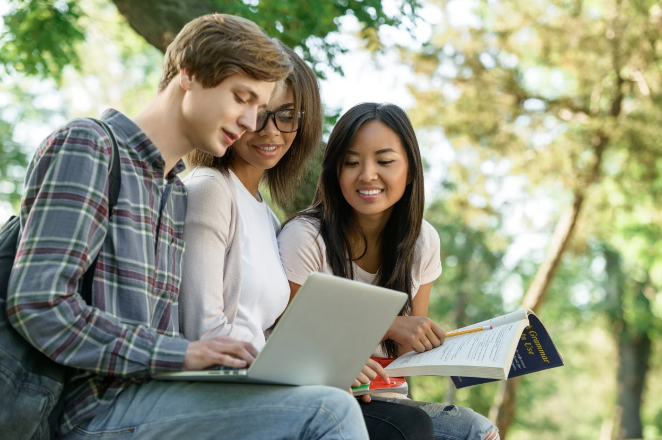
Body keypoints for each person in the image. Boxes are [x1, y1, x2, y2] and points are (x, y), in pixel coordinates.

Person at [6, 14, 369, 440]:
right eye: (242, 97)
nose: (252, 123)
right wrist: (184, 352)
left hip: (159, 396)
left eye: (260, 106)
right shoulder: (90, 146)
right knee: (327, 412)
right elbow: (38, 303)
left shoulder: (173, 192)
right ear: (189, 75)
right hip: (90, 411)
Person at [180, 45, 435, 440]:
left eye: (286, 116)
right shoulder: (211, 190)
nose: (270, 131)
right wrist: (322, 368)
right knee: (409, 428)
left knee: (459, 427)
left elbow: (271, 332)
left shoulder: (265, 216)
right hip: (233, 394)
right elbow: (203, 333)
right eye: (259, 112)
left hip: (276, 388)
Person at [278, 102, 501, 440]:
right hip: (314, 397)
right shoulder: (305, 237)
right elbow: (286, 336)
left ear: (410, 170)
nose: (367, 174)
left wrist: (450, 346)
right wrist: (389, 325)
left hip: (383, 398)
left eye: (384, 161)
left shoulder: (423, 241)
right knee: (411, 428)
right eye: (352, 162)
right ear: (335, 171)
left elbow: (408, 352)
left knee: (477, 430)